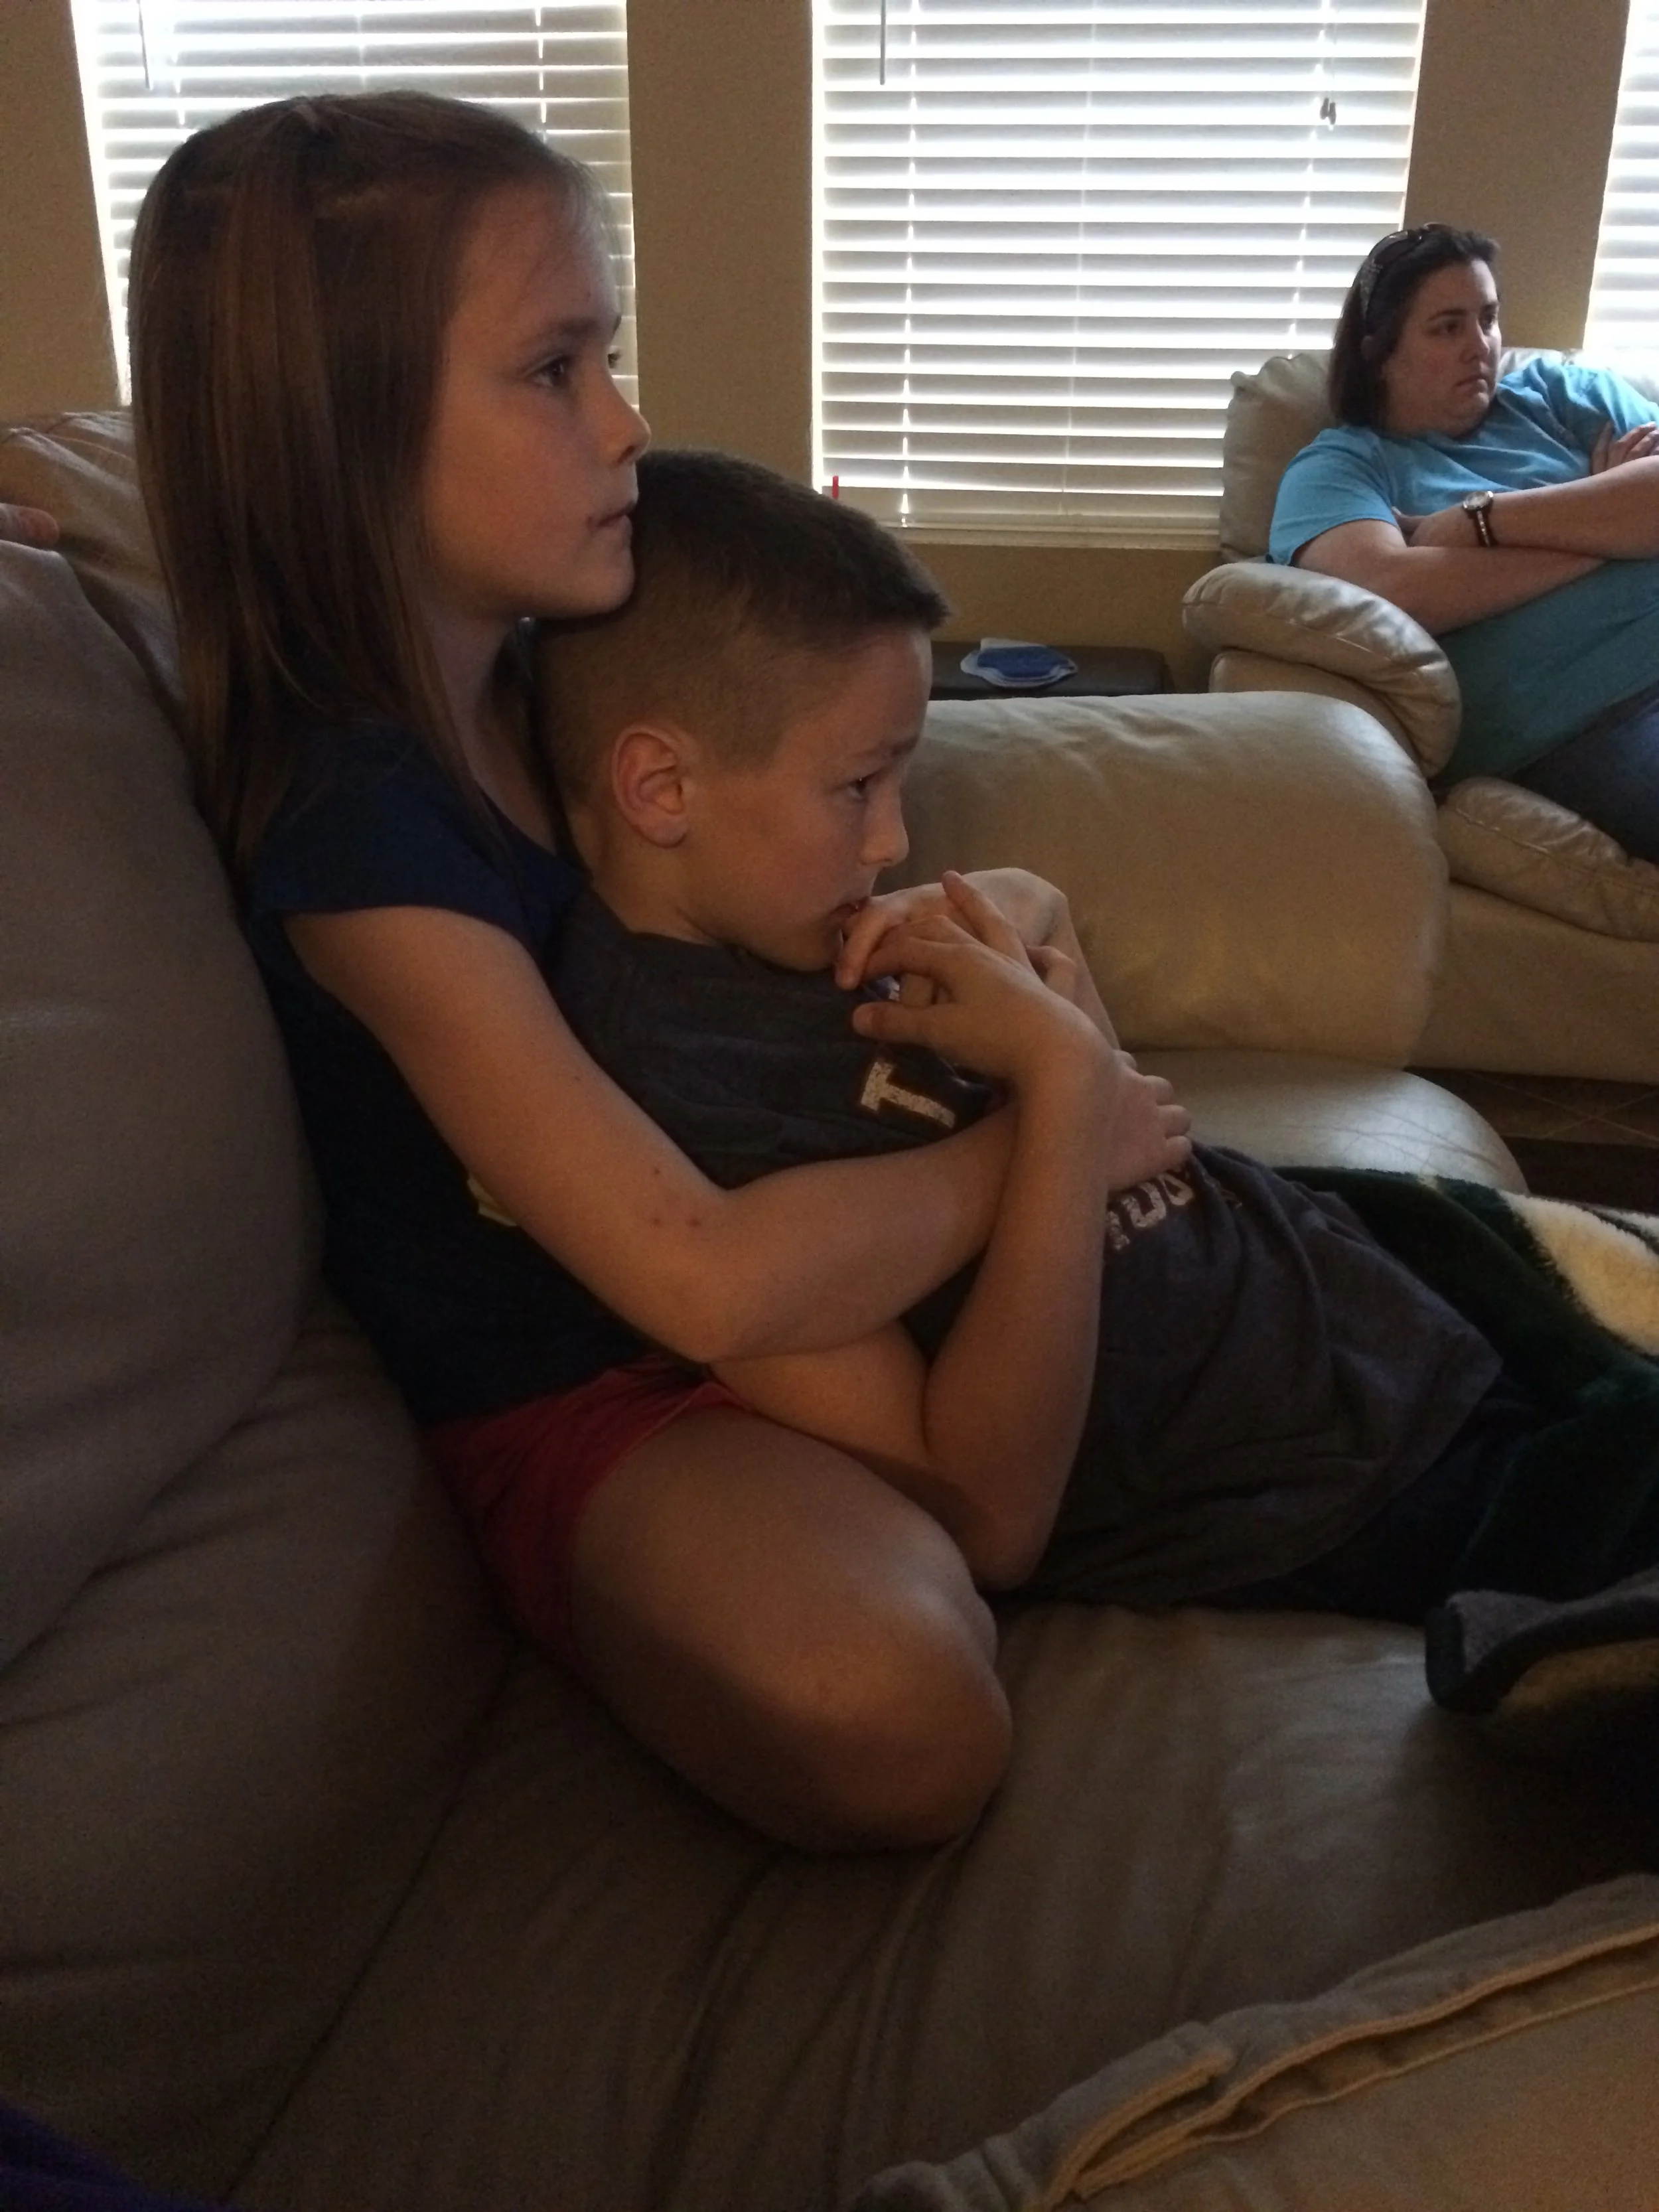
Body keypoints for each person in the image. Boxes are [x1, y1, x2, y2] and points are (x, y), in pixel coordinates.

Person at [123, 89, 1192, 1855]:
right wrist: (1053, 1147)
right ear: (342, 429)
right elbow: (691, 1279)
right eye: (554, 371)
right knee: (900, 1709)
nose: (625, 422)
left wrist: (952, 931)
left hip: (774, 1201)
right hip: (593, 1369)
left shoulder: (553, 668)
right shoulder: (358, 839)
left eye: (602, 359)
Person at [536, 445, 1659, 1728]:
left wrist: (1038, 946)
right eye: (856, 786)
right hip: (1337, 1481)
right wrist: (1062, 1109)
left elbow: (1138, 1123)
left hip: (1357, 1306)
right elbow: (988, 1514)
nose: (895, 837)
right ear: (659, 786)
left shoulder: (789, 926)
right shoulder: (681, 1102)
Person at [1269, 222, 1659, 862]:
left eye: (1488, 319)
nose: (1480, 347)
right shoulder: (1342, 469)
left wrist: (1484, 523)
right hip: (1588, 716)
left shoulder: (1561, 394)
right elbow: (1396, 589)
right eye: (1447, 327)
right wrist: (1607, 523)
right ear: (1381, 351)